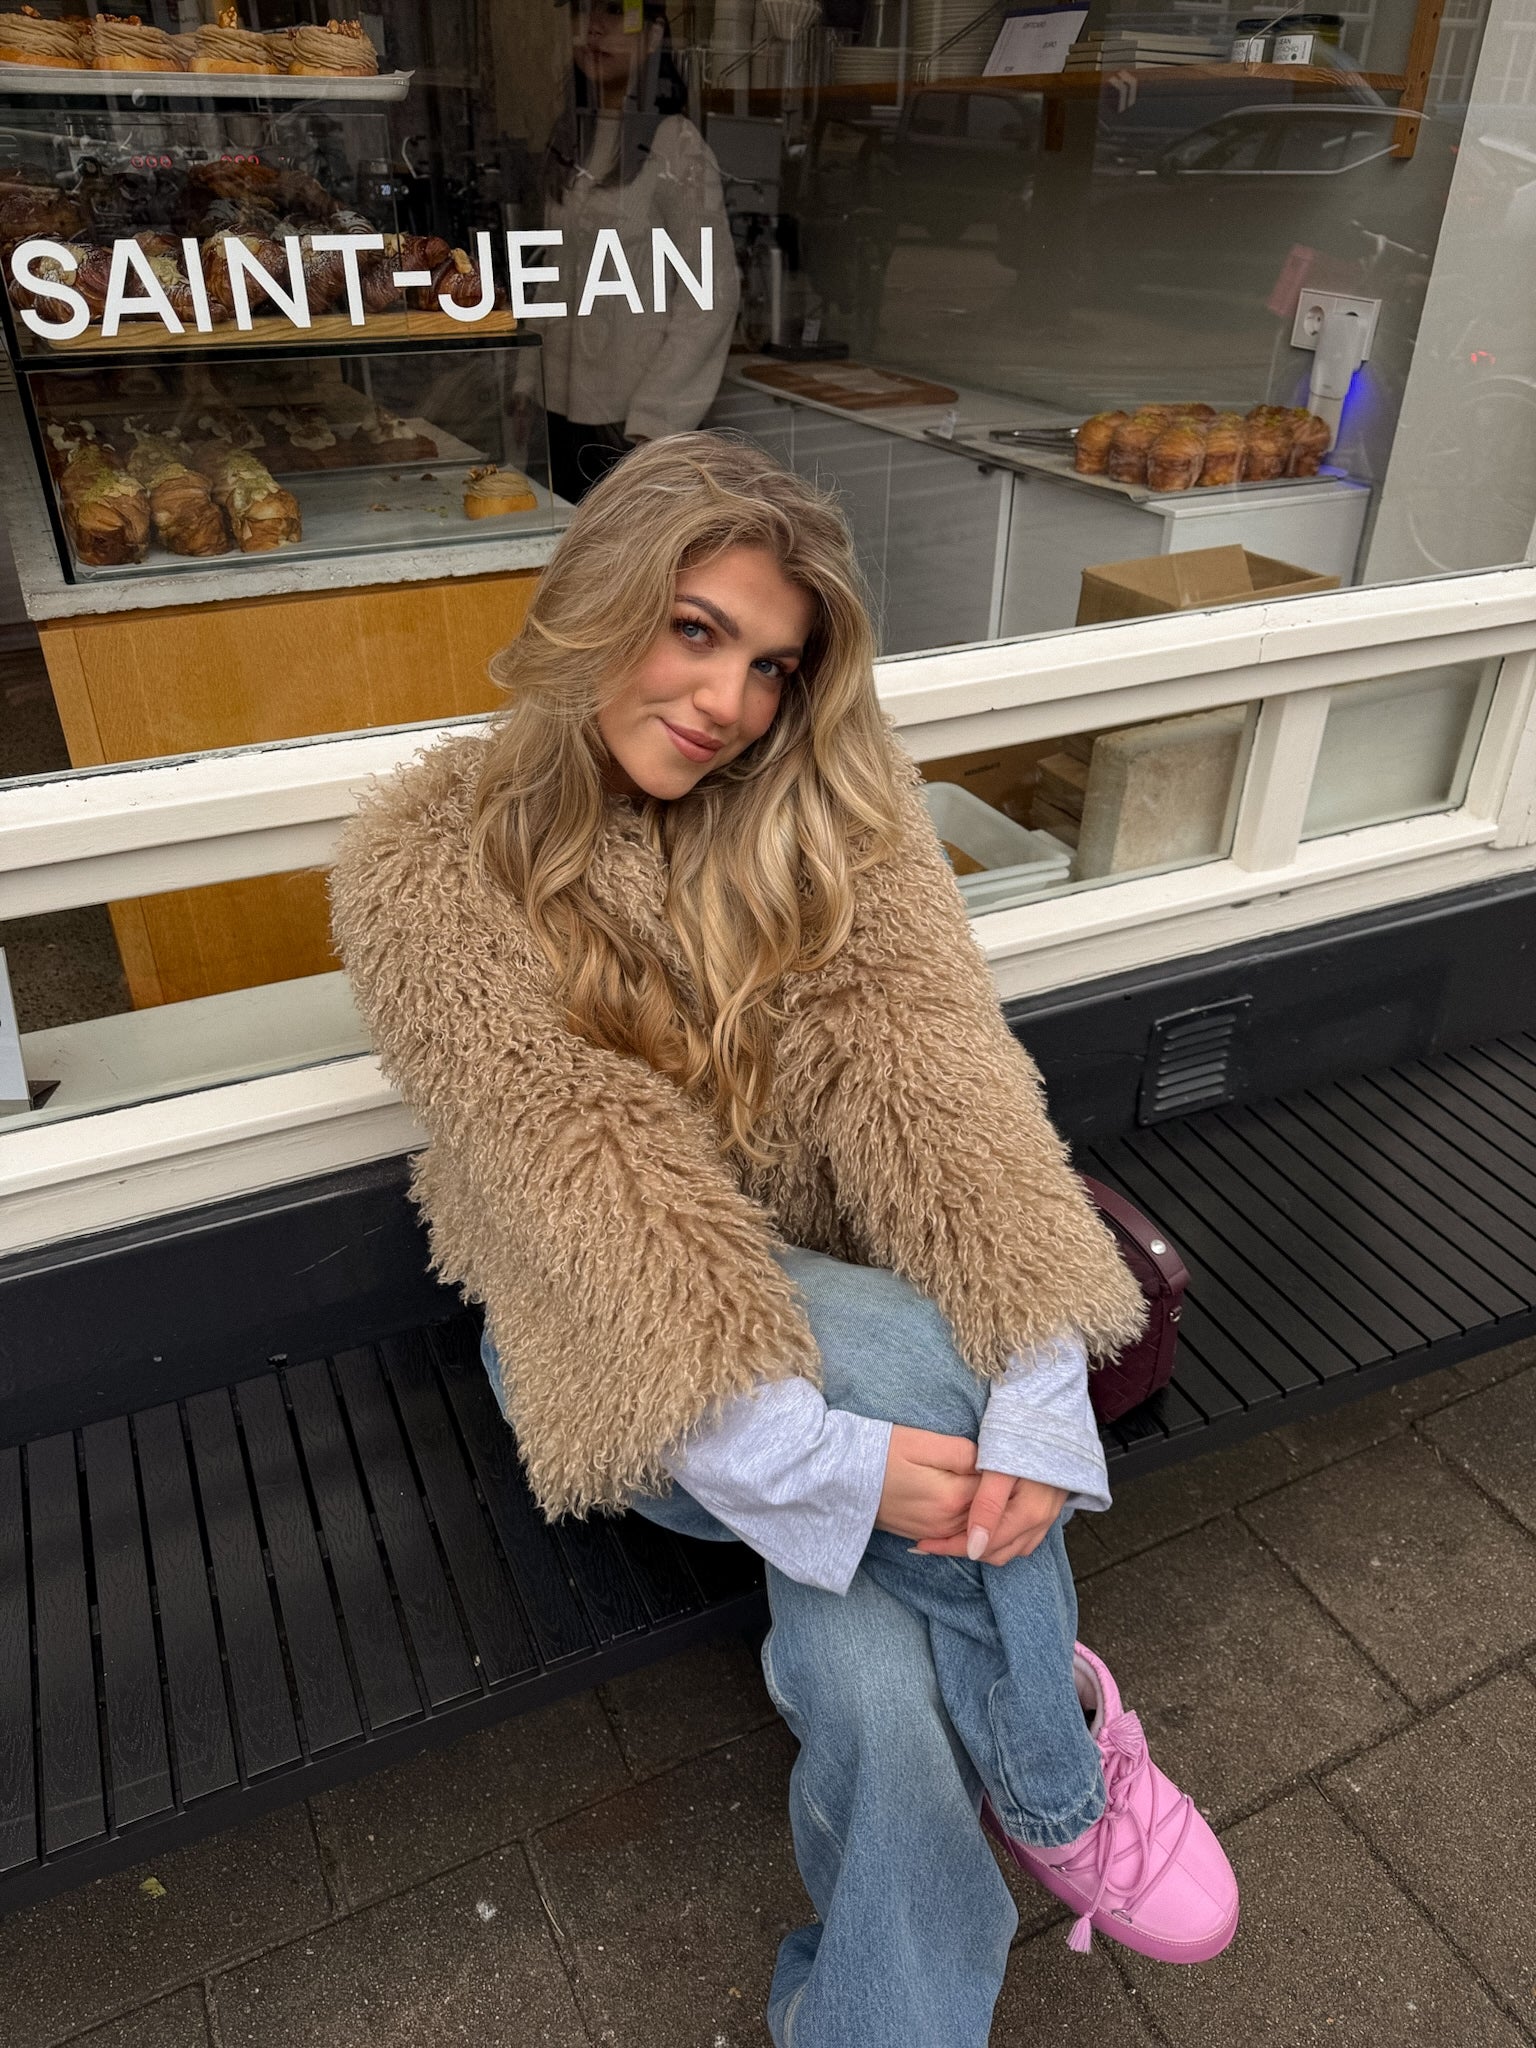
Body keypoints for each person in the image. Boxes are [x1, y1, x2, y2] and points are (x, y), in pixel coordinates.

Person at [329, 433, 1239, 2046]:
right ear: (600, 597)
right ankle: (1061, 1771)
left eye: (769, 665)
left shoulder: (831, 816)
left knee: (880, 1694)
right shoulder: (429, 871)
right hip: (618, 1353)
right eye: (695, 629)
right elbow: (586, 1199)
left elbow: (951, 1097)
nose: (729, 700)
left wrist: (1036, 1396)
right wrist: (828, 1464)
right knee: (910, 1357)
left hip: (868, 1338)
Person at [531, 0, 740, 503]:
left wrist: (655, 422)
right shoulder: (572, 136)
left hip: (633, 429)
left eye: (613, 10)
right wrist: (524, 381)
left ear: (653, 34)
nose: (593, 27)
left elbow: (711, 293)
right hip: (558, 411)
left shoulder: (676, 146)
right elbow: (555, 270)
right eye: (581, 11)